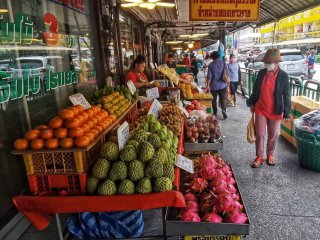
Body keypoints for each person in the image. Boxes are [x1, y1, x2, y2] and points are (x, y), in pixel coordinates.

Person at [247, 49, 291, 168]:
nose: (267, 64)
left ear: (277, 62)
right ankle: (259, 156)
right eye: (266, 62)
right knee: (260, 134)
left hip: (275, 110)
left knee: (273, 135)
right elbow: (256, 90)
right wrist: (252, 103)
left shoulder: (283, 76)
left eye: (269, 62)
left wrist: (287, 113)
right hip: (260, 108)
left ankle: (270, 155)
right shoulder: (262, 73)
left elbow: (287, 95)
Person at [206, 51, 228, 119]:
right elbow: (227, 73)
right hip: (223, 84)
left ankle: (215, 112)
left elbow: (209, 76)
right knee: (223, 98)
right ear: (219, 56)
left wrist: (207, 86)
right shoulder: (223, 63)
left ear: (212, 57)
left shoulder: (211, 65)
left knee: (213, 99)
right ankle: (223, 110)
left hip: (214, 86)